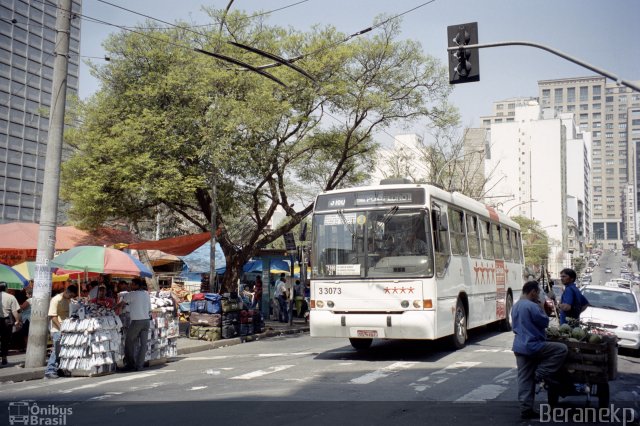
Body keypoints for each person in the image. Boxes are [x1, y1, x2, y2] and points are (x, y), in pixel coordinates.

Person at [512, 281, 568, 419]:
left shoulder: (516, 306)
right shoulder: (532, 306)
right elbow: (544, 322)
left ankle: (526, 409)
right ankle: (540, 373)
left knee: (524, 378)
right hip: (533, 345)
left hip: (519, 346)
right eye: (537, 292)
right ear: (533, 292)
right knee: (561, 349)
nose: (538, 295)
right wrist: (542, 306)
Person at [45, 284, 78, 378]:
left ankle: (59, 369)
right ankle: (50, 370)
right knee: (56, 350)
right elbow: (53, 316)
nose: (71, 297)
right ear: (66, 291)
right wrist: (61, 328)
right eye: (70, 295)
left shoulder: (69, 300)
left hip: (66, 328)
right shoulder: (56, 300)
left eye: (72, 296)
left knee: (63, 351)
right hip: (57, 329)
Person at [123, 278, 151, 372]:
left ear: (136, 285)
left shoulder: (132, 294)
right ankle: (139, 366)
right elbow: (149, 308)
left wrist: (114, 307)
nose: (130, 285)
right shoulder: (146, 294)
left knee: (129, 341)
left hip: (137, 321)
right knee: (143, 345)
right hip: (146, 320)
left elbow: (122, 302)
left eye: (132, 284)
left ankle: (130, 364)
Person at [0, 282, 22, 366]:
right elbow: (14, 311)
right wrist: (17, 320)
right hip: (7, 321)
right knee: (5, 340)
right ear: (6, 288)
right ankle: (4, 357)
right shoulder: (11, 297)